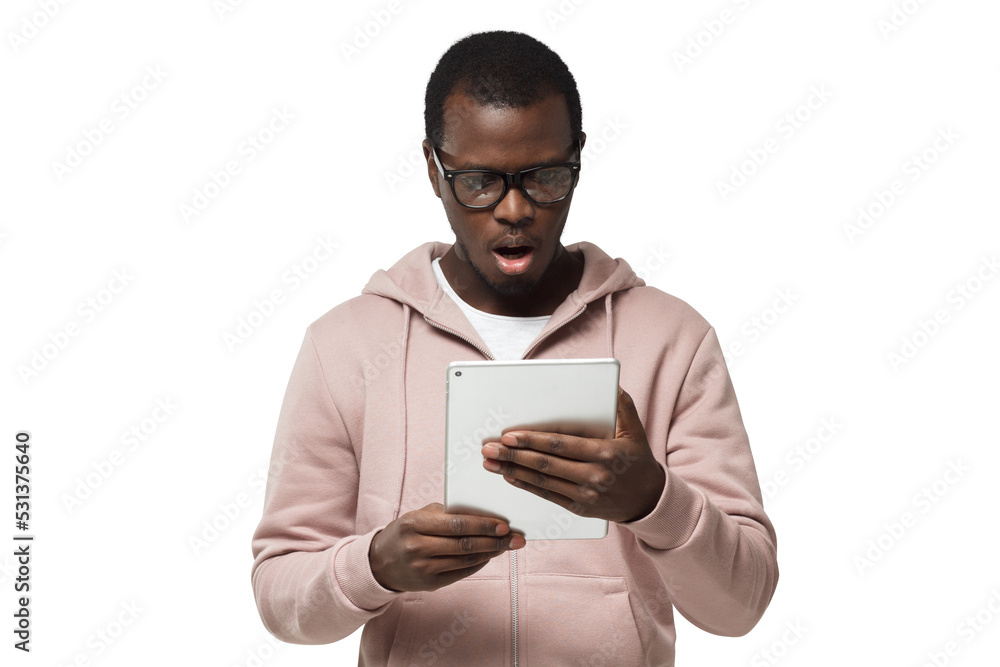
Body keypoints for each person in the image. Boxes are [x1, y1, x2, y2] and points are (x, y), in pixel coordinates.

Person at [250, 30, 778, 666]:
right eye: (478, 181)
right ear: (432, 168)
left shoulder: (673, 340)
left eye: (545, 176)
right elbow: (281, 601)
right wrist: (375, 567)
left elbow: (740, 606)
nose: (515, 209)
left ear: (579, 156)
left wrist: (652, 502)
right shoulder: (346, 346)